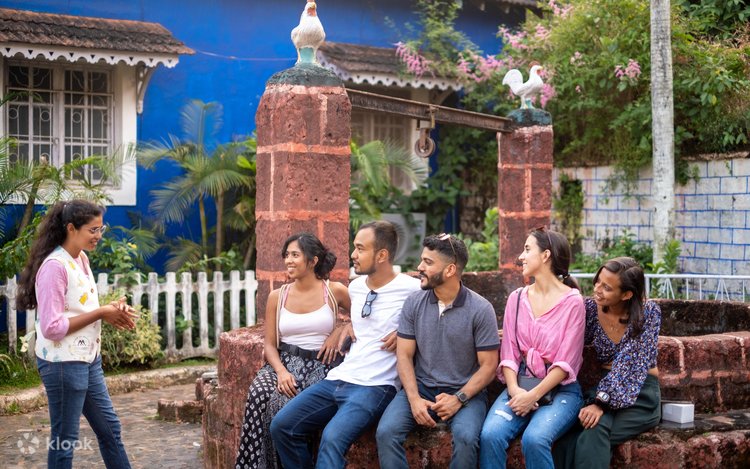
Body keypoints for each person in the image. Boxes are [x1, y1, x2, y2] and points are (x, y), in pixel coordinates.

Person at [270, 220, 421, 469]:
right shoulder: (357, 287)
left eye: (360, 248)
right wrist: (343, 327)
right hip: (339, 377)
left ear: (382, 255)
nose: (353, 254)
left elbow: (442, 315)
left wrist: (408, 331)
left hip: (376, 385)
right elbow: (359, 320)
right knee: (283, 426)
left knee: (331, 439)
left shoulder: (412, 289)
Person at [16, 200, 137, 469]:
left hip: (87, 358)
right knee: (65, 441)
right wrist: (101, 313)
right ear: (71, 228)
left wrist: (110, 308)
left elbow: (76, 306)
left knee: (110, 429)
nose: (98, 236)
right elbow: (51, 327)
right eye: (92, 230)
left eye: (100, 228)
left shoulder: (81, 258)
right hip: (62, 364)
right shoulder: (54, 267)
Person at [376, 233, 500, 468]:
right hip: (421, 387)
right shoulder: (414, 302)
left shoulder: (480, 309)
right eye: (422, 260)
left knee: (466, 438)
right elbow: (404, 355)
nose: (419, 267)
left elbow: (489, 366)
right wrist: (414, 399)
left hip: (466, 392)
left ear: (450, 269)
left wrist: (458, 398)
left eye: (428, 262)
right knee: (386, 432)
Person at [235, 232, 351, 469]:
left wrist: (341, 328)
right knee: (258, 395)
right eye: (286, 255)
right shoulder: (277, 296)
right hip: (283, 362)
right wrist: (281, 372)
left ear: (313, 260)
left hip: (321, 365)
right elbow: (269, 344)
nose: (288, 260)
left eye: (295, 255)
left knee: (282, 405)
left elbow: (364, 318)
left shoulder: (334, 291)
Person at [479, 227, 585, 469]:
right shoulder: (516, 298)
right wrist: (515, 390)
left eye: (527, 249)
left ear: (546, 255)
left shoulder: (573, 302)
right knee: (490, 436)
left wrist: (533, 396)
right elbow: (509, 353)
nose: (521, 257)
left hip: (561, 391)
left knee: (535, 439)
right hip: (520, 383)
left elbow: (566, 363)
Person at [553, 257, 661, 469]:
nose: (597, 289)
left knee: (592, 432)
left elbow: (631, 364)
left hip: (641, 394)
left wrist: (601, 403)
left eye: (607, 287)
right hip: (604, 387)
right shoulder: (591, 310)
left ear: (626, 294)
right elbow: (564, 336)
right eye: (598, 281)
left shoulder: (647, 313)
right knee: (568, 437)